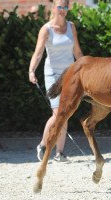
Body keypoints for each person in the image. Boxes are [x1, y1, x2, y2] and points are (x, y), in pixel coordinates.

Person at [28, 0, 83, 162]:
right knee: (58, 112)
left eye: (65, 7)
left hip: (69, 74)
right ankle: (43, 145)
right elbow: (38, 53)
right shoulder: (46, 29)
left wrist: (87, 69)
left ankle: (60, 152)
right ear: (54, 8)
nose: (62, 10)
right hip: (52, 74)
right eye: (59, 7)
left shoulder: (71, 27)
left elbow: (77, 51)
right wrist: (31, 70)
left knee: (65, 112)